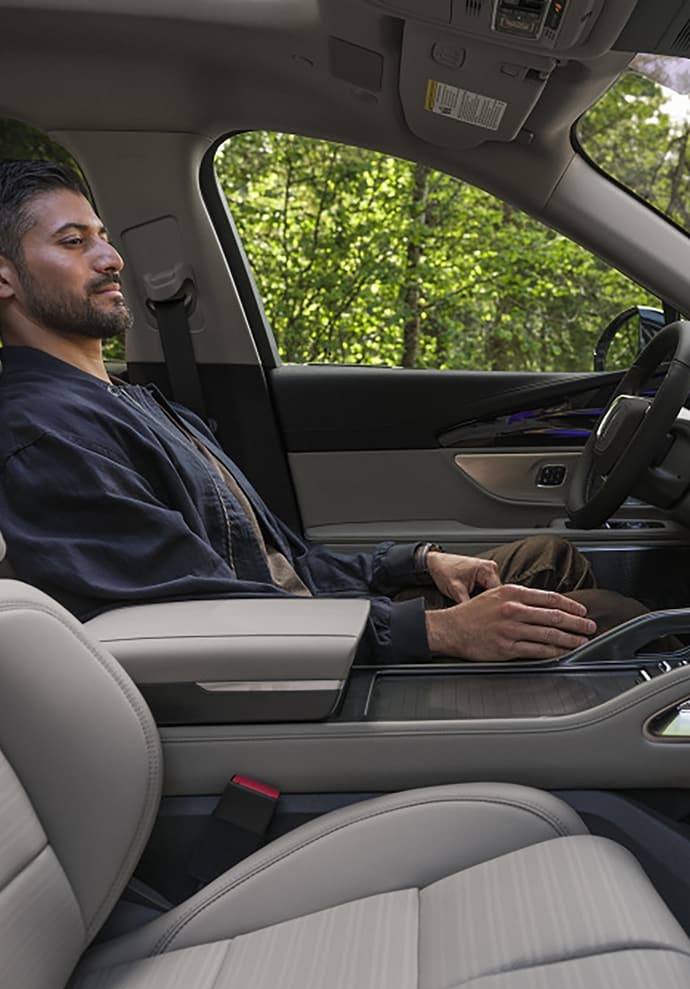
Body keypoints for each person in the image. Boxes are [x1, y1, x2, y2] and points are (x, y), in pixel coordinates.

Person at [0, 160, 646, 664]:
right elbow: (190, 618)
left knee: (547, 557)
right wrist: (438, 632)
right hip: (289, 673)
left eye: (104, 238)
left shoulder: (127, 401)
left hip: (304, 623)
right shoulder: (46, 433)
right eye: (73, 242)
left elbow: (284, 564)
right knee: (616, 618)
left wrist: (416, 562)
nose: (111, 258)